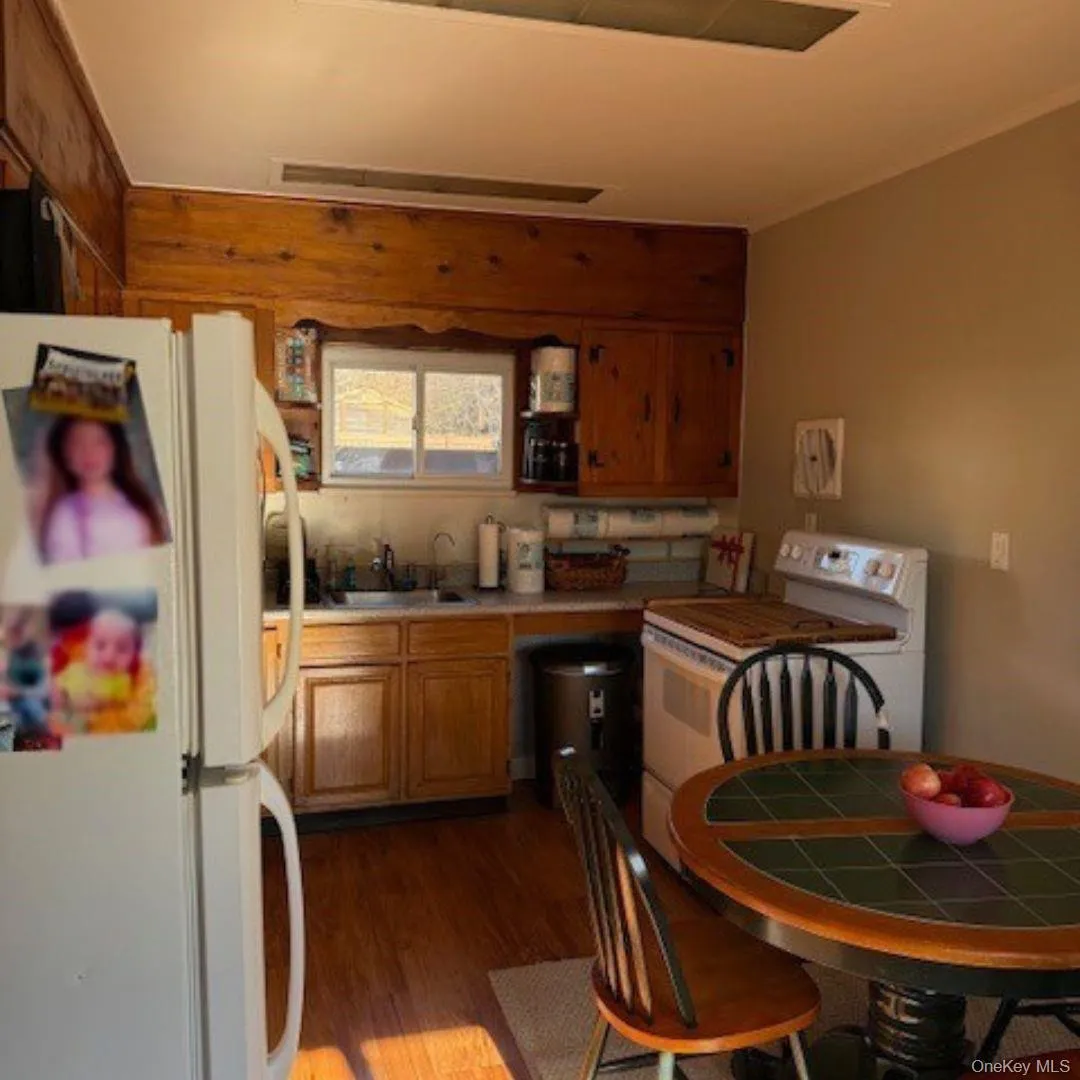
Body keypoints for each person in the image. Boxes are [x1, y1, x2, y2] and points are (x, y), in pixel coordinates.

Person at [36, 416, 168, 564]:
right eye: (78, 443)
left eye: (99, 442)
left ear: (115, 448)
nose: (89, 453)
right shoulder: (64, 515)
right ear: (64, 453)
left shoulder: (145, 504)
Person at [52, 607, 150, 734]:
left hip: (86, 726)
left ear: (134, 654)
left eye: (122, 649)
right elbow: (57, 683)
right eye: (100, 646)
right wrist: (55, 692)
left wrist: (67, 701)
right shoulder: (76, 667)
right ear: (86, 646)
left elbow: (98, 703)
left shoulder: (120, 680)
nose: (108, 656)